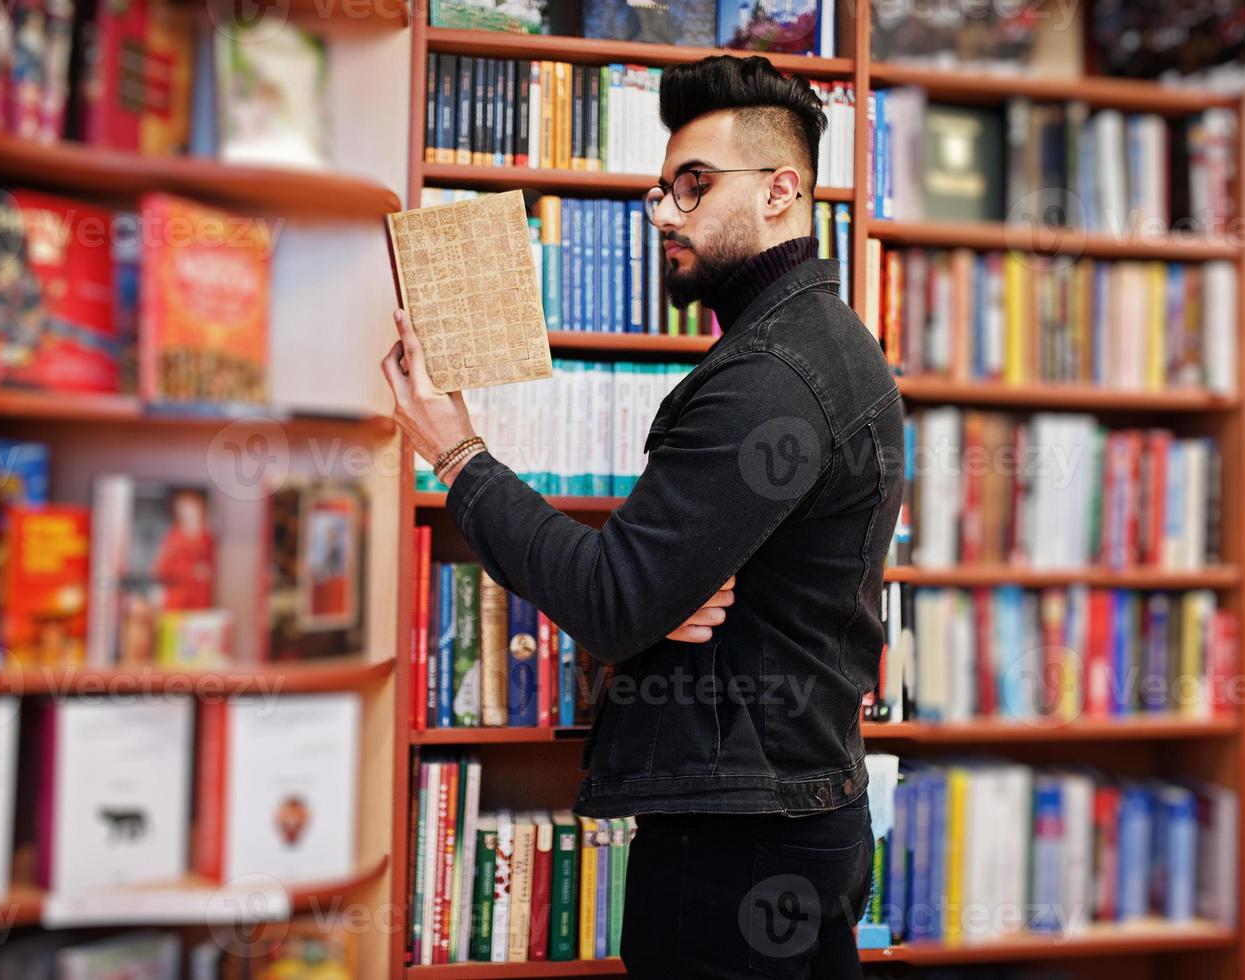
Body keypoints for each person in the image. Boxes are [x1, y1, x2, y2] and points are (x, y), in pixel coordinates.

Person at [381, 54, 904, 979]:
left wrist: (455, 452)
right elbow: (641, 595)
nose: (665, 213)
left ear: (782, 190)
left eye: (694, 187)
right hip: (787, 814)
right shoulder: (806, 343)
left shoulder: (773, 374)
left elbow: (615, 597)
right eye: (662, 189)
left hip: (740, 843)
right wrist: (653, 601)